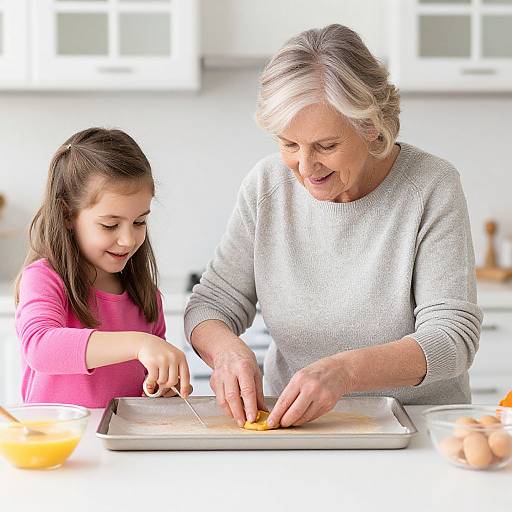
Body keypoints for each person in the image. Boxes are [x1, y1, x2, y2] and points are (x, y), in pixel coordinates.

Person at [184, 24, 482, 429]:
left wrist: (347, 372)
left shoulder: (430, 187)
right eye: (289, 144)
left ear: (372, 127)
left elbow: (452, 339)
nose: (306, 169)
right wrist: (226, 352)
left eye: (326, 146)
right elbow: (210, 304)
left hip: (414, 429)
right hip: (296, 430)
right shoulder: (266, 185)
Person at [15, 127, 190, 407]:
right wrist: (139, 344)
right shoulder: (43, 278)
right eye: (110, 225)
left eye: (139, 222)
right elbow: (41, 347)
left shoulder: (146, 296)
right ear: (67, 215)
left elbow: (146, 386)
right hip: (63, 445)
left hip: (123, 445)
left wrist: (160, 386)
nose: (128, 239)